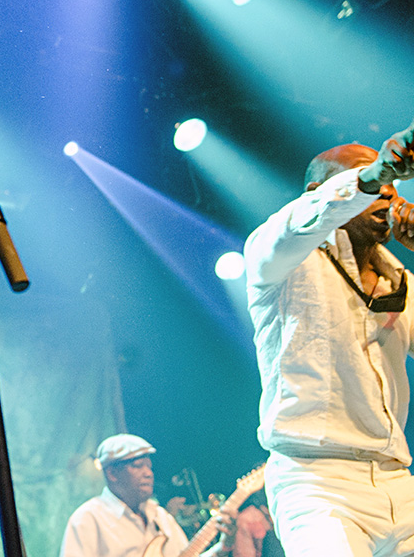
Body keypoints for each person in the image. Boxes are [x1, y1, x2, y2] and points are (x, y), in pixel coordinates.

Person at [243, 126, 414, 556]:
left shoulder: (401, 281)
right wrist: (371, 175)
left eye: (391, 187)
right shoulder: (279, 260)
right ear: (318, 190)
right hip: (317, 483)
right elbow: (298, 223)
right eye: (374, 183)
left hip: (397, 481)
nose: (387, 195)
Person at [59, 434, 236, 557]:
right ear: (112, 473)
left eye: (149, 466)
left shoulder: (160, 516)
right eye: (138, 466)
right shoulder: (88, 519)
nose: (148, 473)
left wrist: (223, 545)